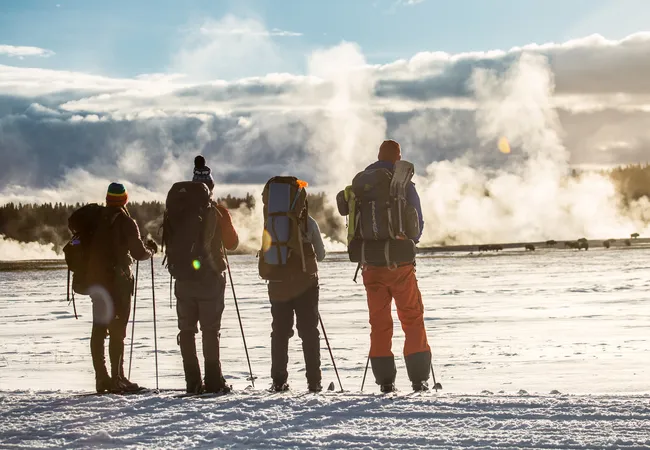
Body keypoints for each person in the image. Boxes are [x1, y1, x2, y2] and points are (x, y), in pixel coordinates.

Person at [362, 139, 431, 393]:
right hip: (400, 264)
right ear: (398, 157)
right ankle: (418, 378)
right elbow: (418, 223)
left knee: (379, 324)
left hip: (370, 264)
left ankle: (385, 382)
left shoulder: (363, 185)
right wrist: (408, 243)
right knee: (412, 318)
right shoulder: (403, 184)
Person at [167, 156, 239, 394]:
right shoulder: (217, 212)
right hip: (210, 279)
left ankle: (192, 382)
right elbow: (232, 243)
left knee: (186, 331)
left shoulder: (177, 209)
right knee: (210, 330)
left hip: (183, 279)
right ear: (211, 187)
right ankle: (214, 381)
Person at [87, 182, 158, 394]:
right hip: (117, 284)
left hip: (96, 282)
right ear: (124, 200)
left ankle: (102, 378)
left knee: (99, 330)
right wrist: (151, 251)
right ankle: (118, 379)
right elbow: (138, 253)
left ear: (108, 198)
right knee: (117, 331)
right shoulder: (127, 222)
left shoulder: (96, 219)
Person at [260, 177, 326, 393]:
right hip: (306, 282)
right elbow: (322, 255)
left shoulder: (271, 221)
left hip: (277, 282)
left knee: (280, 331)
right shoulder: (309, 222)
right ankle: (314, 382)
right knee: (308, 331)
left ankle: (278, 381)